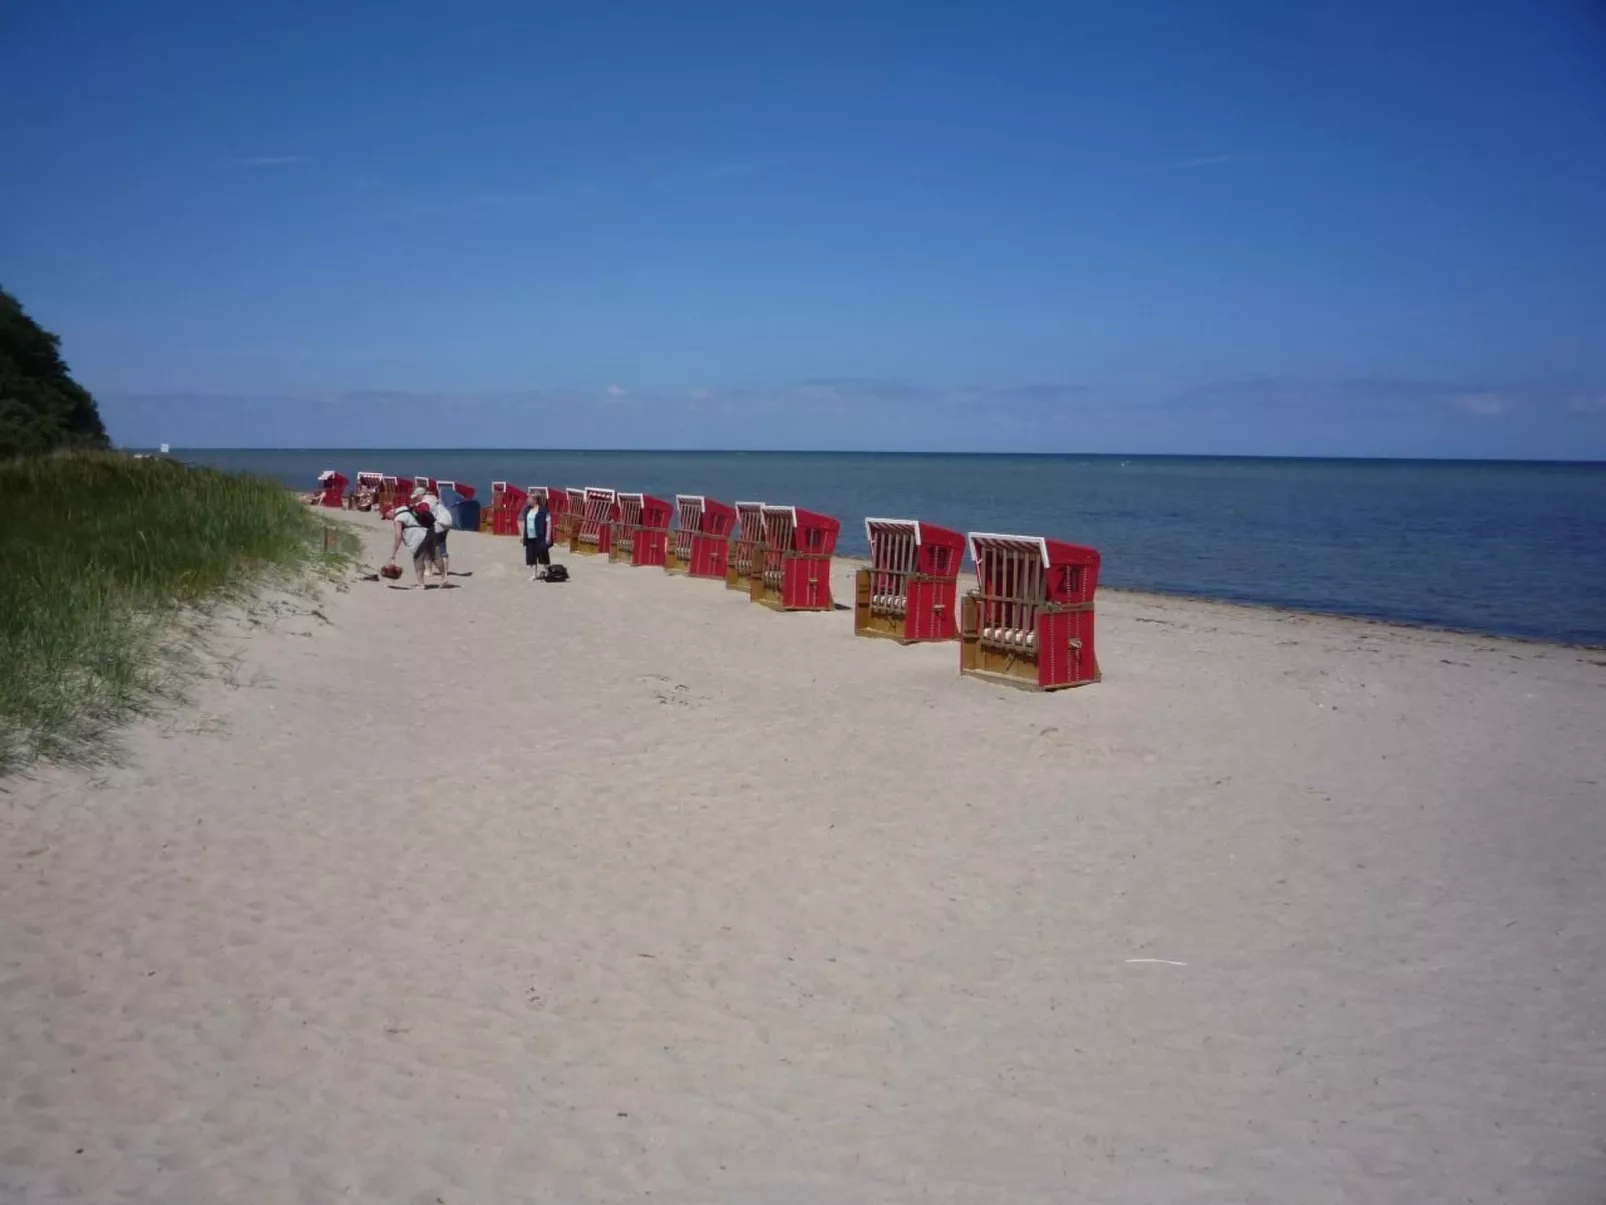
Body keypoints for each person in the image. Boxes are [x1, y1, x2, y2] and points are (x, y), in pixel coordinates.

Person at [387, 503, 436, 587]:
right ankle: (435, 573)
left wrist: (393, 554)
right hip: (425, 531)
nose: (388, 518)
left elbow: (398, 536)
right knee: (426, 553)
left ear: (389, 511)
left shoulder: (398, 519)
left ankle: (421, 583)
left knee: (418, 559)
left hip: (415, 536)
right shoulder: (404, 508)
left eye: (387, 516)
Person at [519, 492, 553, 580]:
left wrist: (548, 536)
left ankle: (546, 571)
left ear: (535, 500)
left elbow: (549, 523)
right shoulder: (527, 510)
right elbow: (521, 521)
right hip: (529, 536)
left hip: (540, 536)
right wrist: (522, 535)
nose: (527, 500)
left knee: (543, 554)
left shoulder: (544, 510)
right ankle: (534, 574)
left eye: (529, 498)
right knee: (531, 555)